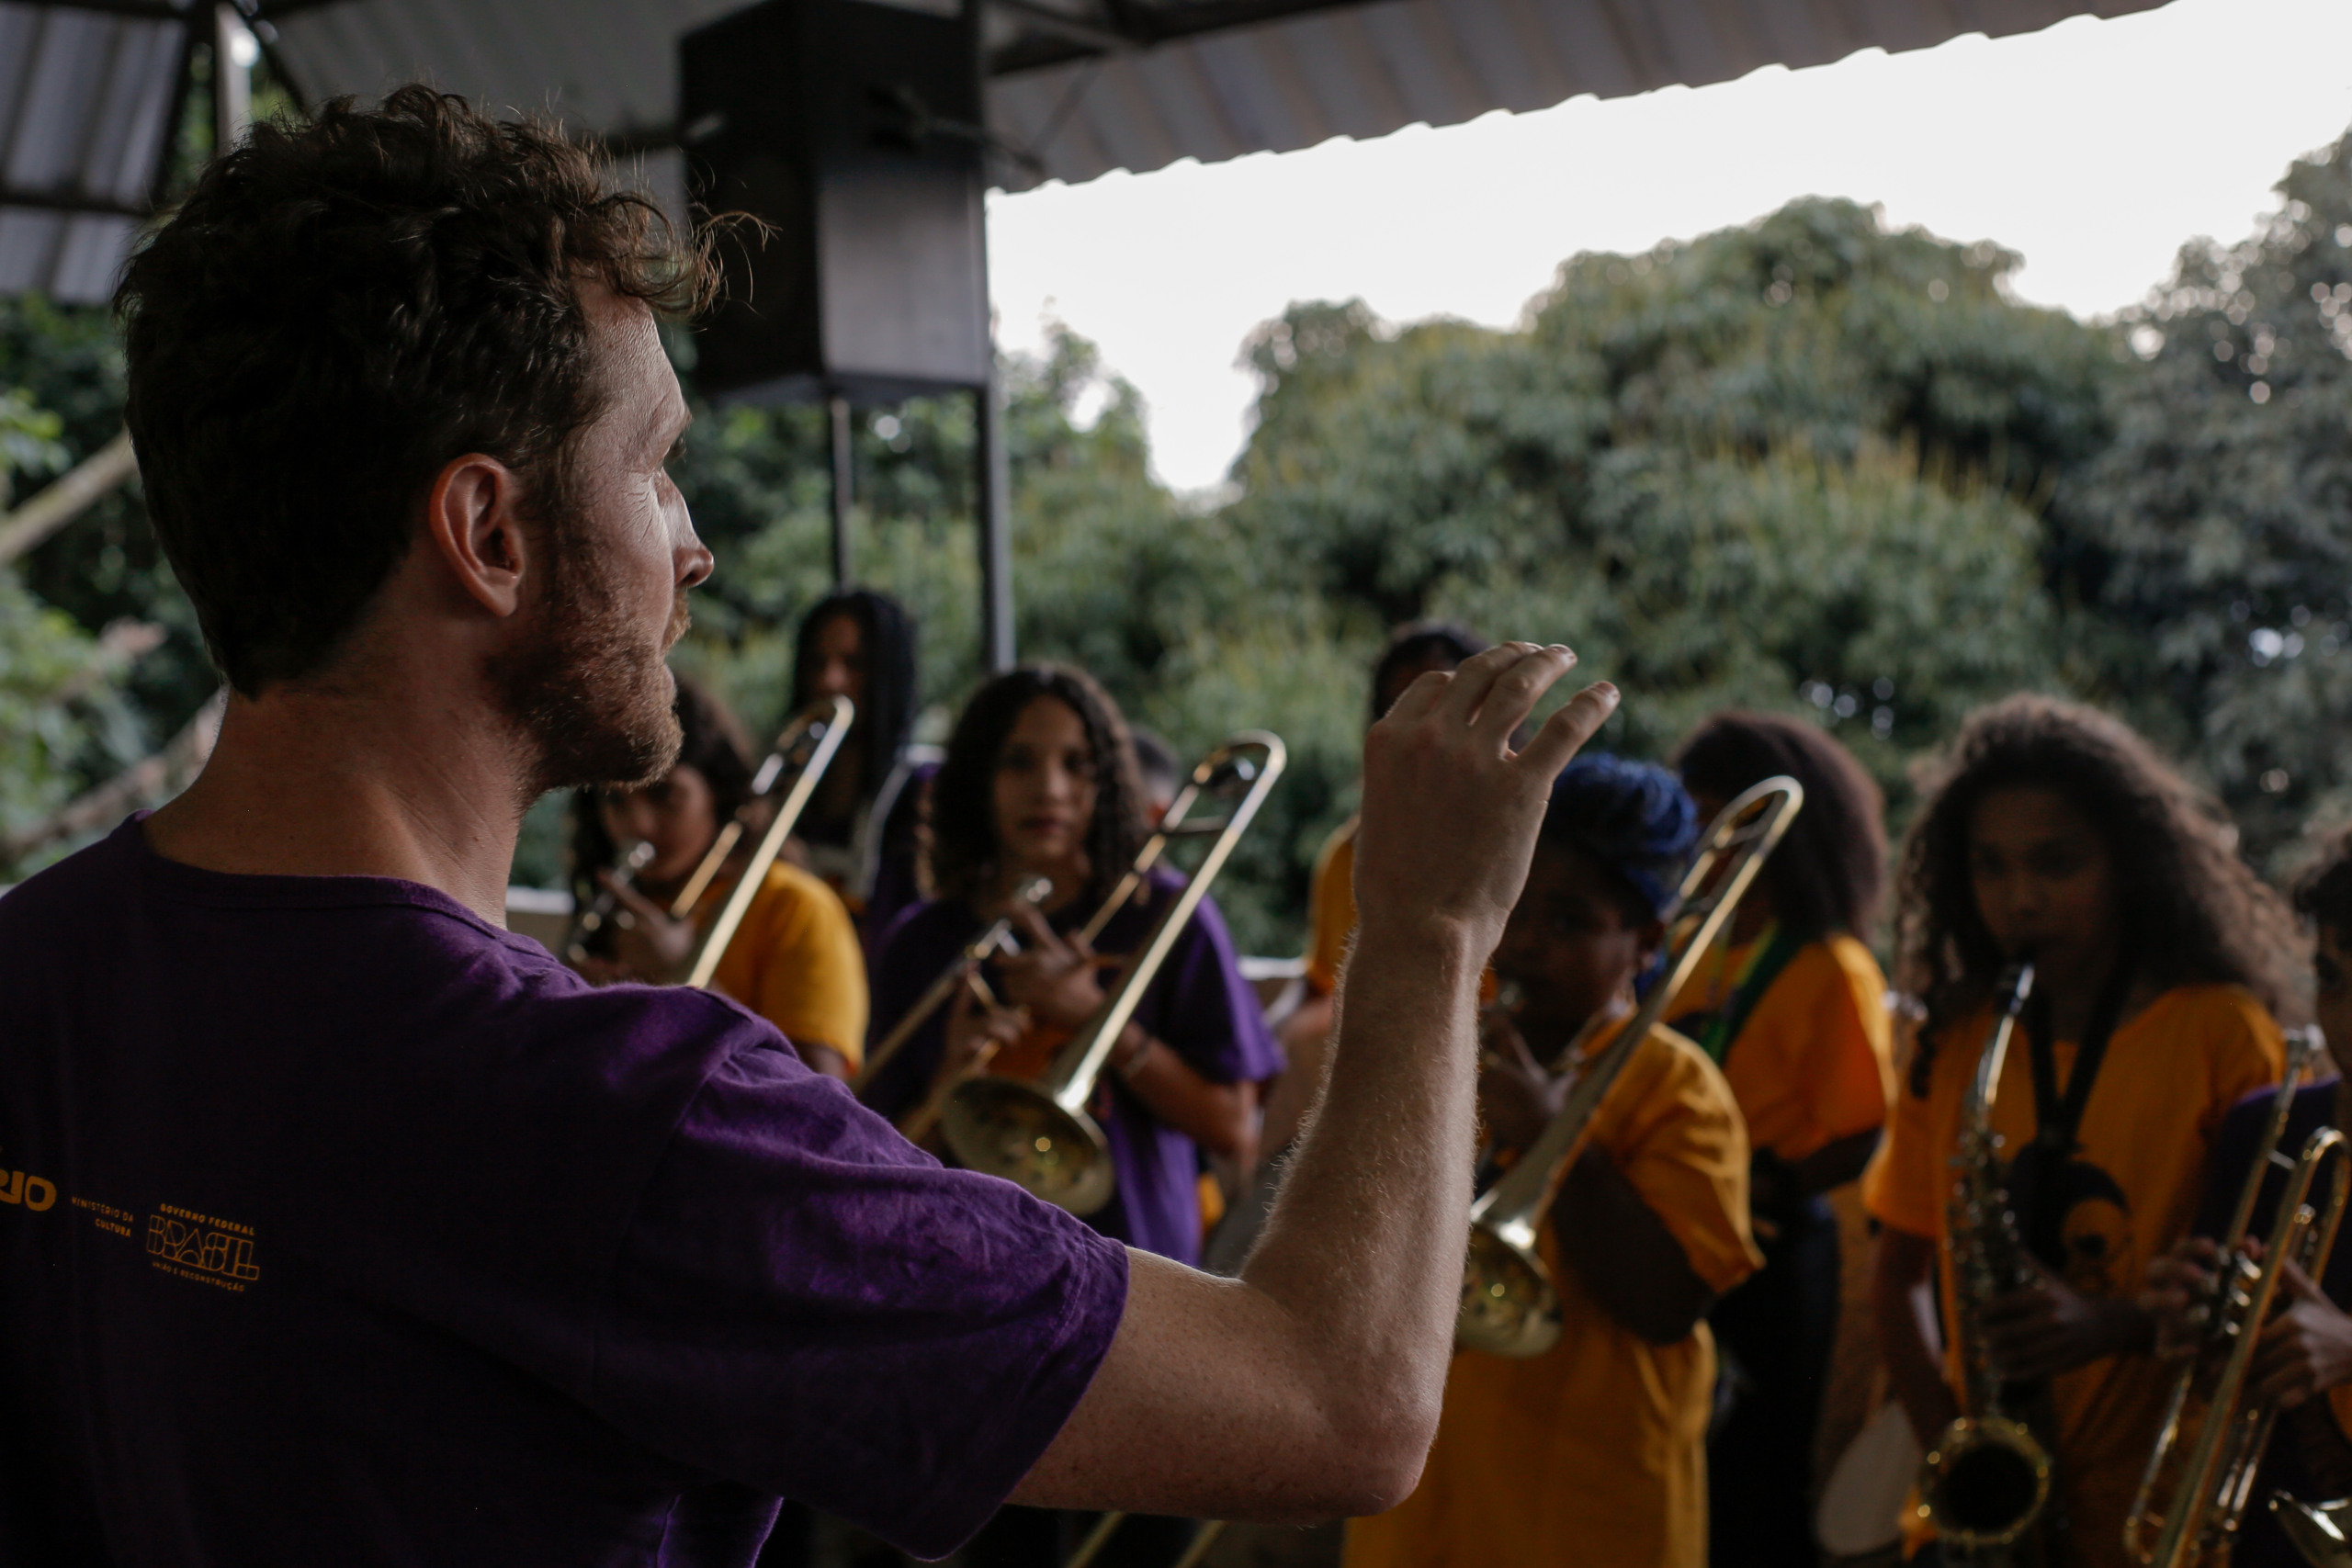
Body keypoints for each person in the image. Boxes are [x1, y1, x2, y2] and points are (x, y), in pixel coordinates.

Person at [0, 87, 1623, 1564]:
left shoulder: (33, 972)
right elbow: (1338, 1402)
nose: (692, 550)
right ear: (489, 531)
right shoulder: (628, 1126)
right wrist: (1425, 926)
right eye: (657, 472)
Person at [862, 666, 1283, 1566]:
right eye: (1019, 763)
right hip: (971, 1311)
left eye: (1076, 765)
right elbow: (878, 1158)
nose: (1049, 789)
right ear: (979, 779)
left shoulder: (1172, 915)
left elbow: (1234, 1128)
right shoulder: (927, 939)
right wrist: (950, 1075)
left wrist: (1100, 1022)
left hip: (1144, 1306)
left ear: (1109, 783)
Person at [1863, 694, 2296, 1568]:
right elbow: (1896, 1272)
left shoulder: (2221, 1032)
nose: (2020, 900)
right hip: (1994, 1513)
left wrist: (2111, 1323)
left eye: (2056, 864)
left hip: (2158, 1510)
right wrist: (1958, 1456)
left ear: (2128, 865)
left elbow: (2269, 1304)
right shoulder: (1957, 1037)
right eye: (1990, 867)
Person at [1344, 755, 1762, 1568]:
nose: (1528, 943)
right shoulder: (1445, 1045)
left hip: (1586, 1505)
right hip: (1426, 1497)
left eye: (1568, 921)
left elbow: (1668, 1301)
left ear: (1643, 941)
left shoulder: (1679, 1088)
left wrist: (1547, 1133)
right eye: (1517, 910)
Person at [1667, 711, 1894, 1568]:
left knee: (1754, 1479)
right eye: (1700, 826)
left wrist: (1766, 1185)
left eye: (1727, 824)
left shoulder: (1831, 963)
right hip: (1681, 1229)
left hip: (1771, 1251)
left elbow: (1862, 1130)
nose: (1708, 846)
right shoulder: (1692, 944)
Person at [2139, 835, 2352, 1567]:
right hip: (2263, 1526)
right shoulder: (2266, 1128)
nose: (2346, 1021)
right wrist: (2190, 1314)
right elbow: (2213, 1368)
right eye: (2332, 979)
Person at [568, 672, 868, 1078]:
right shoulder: (615, 909)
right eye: (615, 801)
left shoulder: (798, 906)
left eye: (664, 795)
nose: (638, 824)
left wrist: (684, 978)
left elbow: (822, 1096)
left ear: (718, 793)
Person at [1266, 621, 1487, 1157]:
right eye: (1403, 708)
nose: (1429, 728)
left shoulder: (1530, 840)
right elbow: (1325, 986)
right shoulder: (1349, 853)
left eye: (1448, 703)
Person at [786, 589, 931, 946]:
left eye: (854, 664)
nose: (829, 682)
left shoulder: (923, 790)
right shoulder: (782, 782)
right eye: (817, 663)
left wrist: (798, 877)